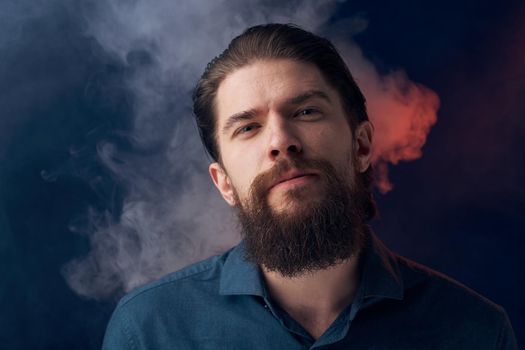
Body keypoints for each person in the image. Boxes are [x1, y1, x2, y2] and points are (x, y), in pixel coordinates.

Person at [102, 23, 517, 349]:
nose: (281, 141)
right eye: (248, 127)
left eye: (306, 110)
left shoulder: (474, 330)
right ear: (223, 183)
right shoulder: (148, 330)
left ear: (362, 145)